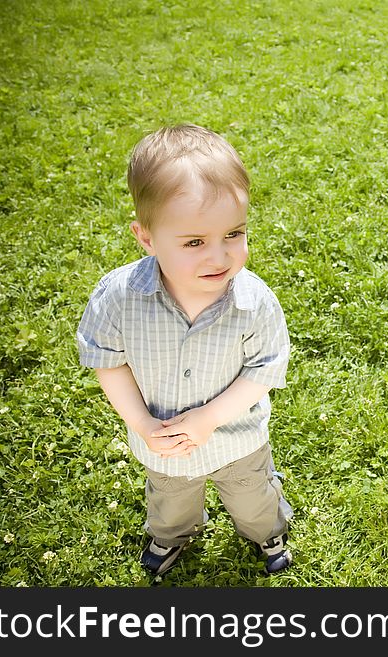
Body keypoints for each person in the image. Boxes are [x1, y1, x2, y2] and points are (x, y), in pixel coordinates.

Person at [77, 124, 294, 574]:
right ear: (147, 238)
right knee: (170, 502)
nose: (219, 256)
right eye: (195, 242)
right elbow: (108, 362)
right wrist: (139, 422)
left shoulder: (253, 302)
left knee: (252, 496)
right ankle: (173, 537)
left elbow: (265, 370)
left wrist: (208, 418)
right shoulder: (119, 297)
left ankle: (267, 531)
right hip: (163, 443)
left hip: (238, 441)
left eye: (234, 233)